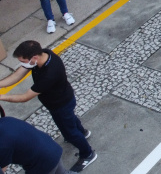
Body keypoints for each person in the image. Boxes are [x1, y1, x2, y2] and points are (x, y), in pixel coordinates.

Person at [0, 41, 97, 172]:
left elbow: (25, 97)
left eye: (23, 61)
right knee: (70, 120)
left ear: (34, 57)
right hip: (64, 98)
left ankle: (87, 154)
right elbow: (17, 75)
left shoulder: (49, 74)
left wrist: (1, 97)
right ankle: (82, 132)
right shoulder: (42, 55)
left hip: (60, 104)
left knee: (69, 131)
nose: (22, 65)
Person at [0, 116, 72, 174]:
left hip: (41, 164)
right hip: (52, 147)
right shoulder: (6, 120)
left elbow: (3, 167)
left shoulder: (2, 143)